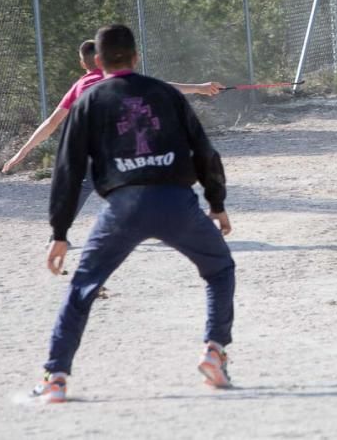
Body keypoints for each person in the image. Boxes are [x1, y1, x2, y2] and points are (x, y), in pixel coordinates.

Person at [31, 24, 235, 403]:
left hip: (123, 207)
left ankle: (55, 378)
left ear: (97, 61)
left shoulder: (89, 100)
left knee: (83, 286)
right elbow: (203, 150)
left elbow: (68, 169)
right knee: (219, 269)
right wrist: (216, 203)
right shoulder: (165, 93)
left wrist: (59, 232)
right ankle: (214, 352)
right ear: (136, 57)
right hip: (177, 202)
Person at [3, 39, 224, 219]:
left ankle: (58, 234)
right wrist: (199, 88)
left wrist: (22, 152)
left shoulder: (78, 87)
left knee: (89, 183)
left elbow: (51, 123)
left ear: (84, 64)